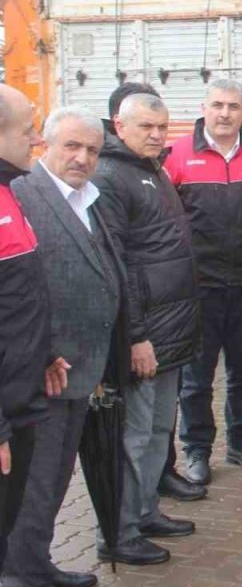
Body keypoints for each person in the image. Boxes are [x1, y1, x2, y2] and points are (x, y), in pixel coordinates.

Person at [6, 108, 126, 587]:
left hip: (82, 365)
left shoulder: (88, 198)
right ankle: (21, 569)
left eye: (92, 150)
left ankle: (34, 562)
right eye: (71, 146)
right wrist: (43, 352)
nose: (82, 158)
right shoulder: (23, 195)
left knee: (55, 477)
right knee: (36, 480)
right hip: (44, 369)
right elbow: (23, 290)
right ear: (45, 144)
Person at [92, 92, 201, 566]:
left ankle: (146, 511)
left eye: (162, 126)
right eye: (146, 127)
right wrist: (136, 336)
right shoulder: (110, 177)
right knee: (133, 437)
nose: (157, 135)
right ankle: (118, 532)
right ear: (119, 125)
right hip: (145, 338)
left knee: (159, 431)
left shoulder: (152, 170)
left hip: (172, 329)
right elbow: (118, 266)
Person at [165, 79, 242, 485]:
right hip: (199, 287)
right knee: (196, 378)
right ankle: (196, 450)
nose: (225, 113)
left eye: (233, 106)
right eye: (217, 105)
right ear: (204, 107)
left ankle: (241, 441)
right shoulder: (176, 154)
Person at [0, 85, 54, 575]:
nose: (37, 139)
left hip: (21, 401)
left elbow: (20, 299)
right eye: (26, 129)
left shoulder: (10, 193)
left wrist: (46, 353)